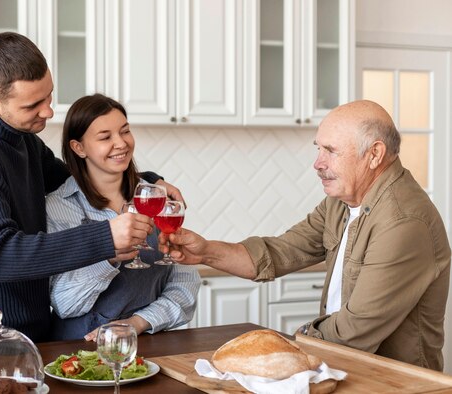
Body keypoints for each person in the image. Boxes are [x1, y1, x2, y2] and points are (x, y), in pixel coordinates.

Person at [160, 100, 451, 371]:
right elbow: (280, 252)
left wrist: (292, 344)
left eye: (331, 151)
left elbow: (357, 329)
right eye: (318, 149)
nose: (318, 163)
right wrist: (204, 252)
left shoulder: (403, 221)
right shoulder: (341, 202)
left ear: (374, 154)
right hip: (345, 368)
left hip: (396, 383)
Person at [0, 32, 182, 348]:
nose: (48, 112)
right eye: (33, 105)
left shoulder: (24, 141)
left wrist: (149, 182)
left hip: (36, 335)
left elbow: (79, 180)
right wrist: (106, 238)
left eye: (49, 96)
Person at [46, 94, 200, 341]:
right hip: (80, 350)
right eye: (106, 137)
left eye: (125, 131)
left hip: (148, 346)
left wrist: (137, 323)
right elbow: (65, 304)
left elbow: (185, 284)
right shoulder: (59, 207)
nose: (121, 143)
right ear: (79, 147)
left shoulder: (156, 198)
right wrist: (108, 256)